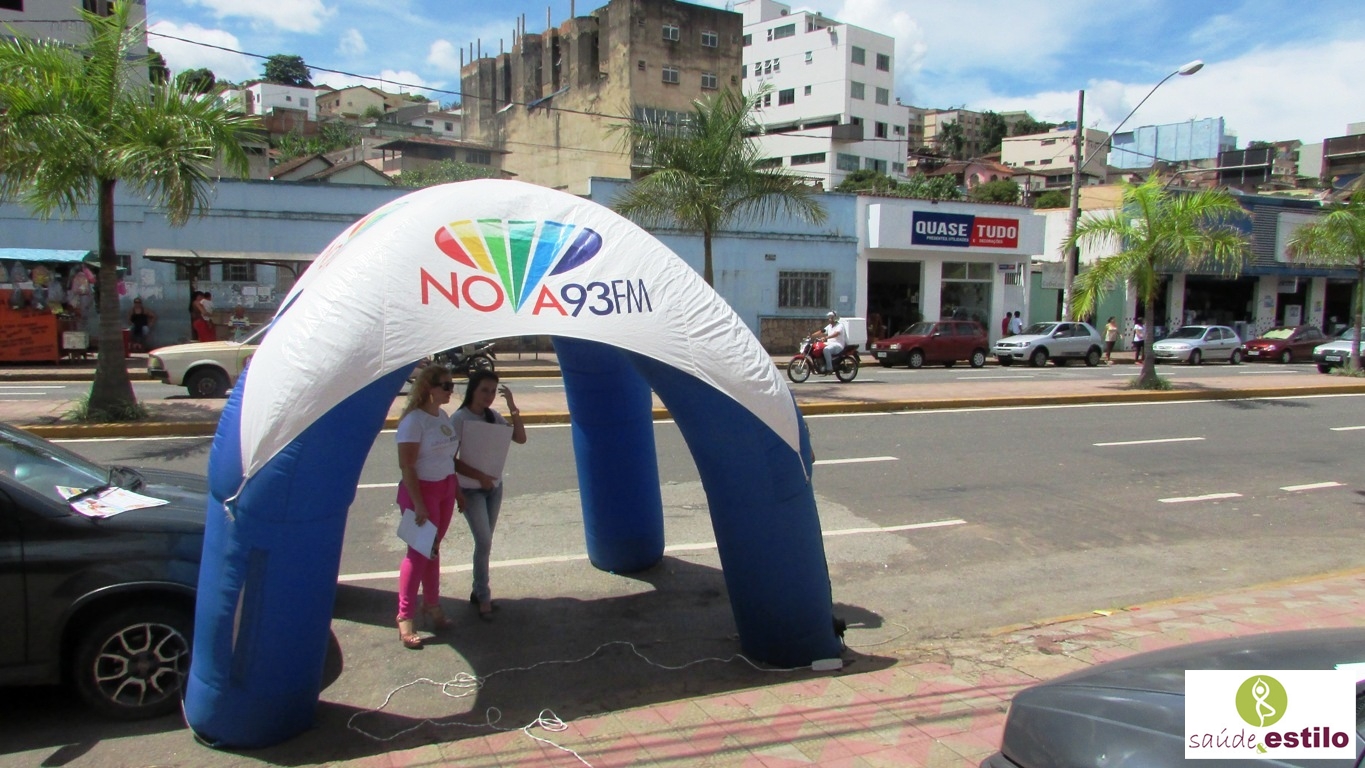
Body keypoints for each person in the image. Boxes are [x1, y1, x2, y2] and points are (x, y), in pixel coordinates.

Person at [394, 364, 463, 649]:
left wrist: (456, 491)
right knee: (418, 554)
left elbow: (448, 458)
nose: (450, 390)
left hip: (445, 488)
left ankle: (432, 604)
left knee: (433, 551)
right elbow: (407, 466)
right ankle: (405, 615)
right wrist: (419, 504)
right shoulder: (414, 422)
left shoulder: (442, 416)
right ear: (428, 388)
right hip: (421, 492)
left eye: (451, 385)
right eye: (445, 385)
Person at [451, 370, 527, 621]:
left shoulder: (493, 416)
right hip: (470, 489)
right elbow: (449, 459)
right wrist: (479, 477)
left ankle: (477, 590)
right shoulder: (459, 419)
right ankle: (484, 595)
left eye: (493, 391)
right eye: (484, 390)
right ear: (473, 389)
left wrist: (513, 408)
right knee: (483, 541)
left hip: (493, 488)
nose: (489, 395)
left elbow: (520, 438)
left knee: (485, 543)